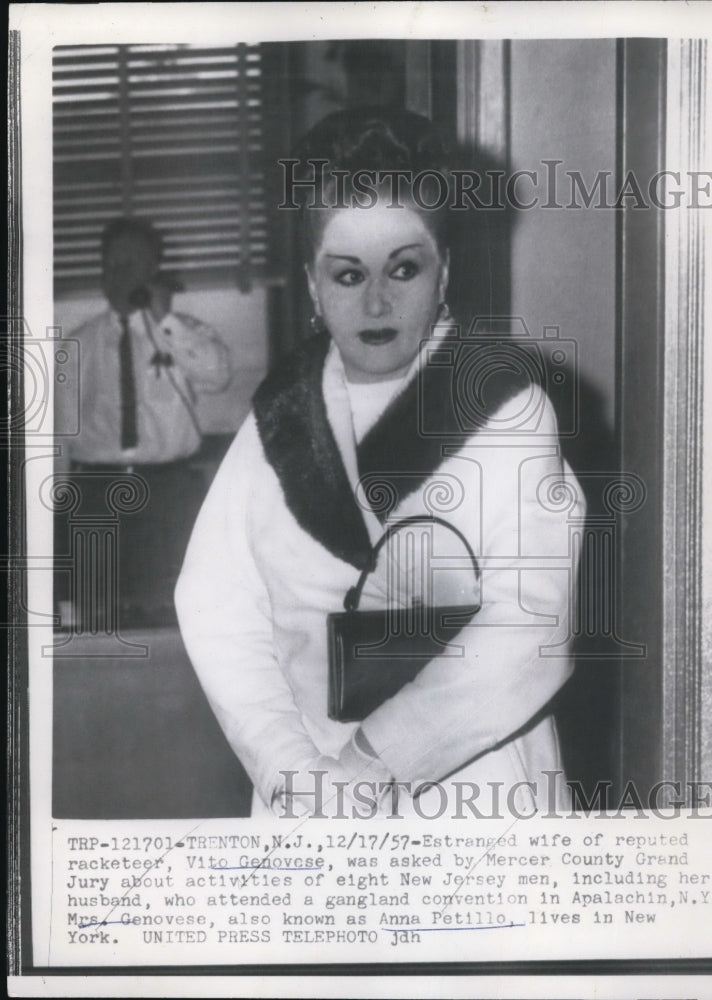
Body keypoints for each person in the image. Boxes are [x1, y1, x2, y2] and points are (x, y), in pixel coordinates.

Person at [175, 108, 585, 818]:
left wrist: (377, 758)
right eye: (347, 273)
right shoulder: (279, 417)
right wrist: (291, 766)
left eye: (403, 267)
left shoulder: (507, 407)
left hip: (473, 791)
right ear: (311, 283)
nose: (376, 300)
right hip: (312, 792)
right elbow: (215, 607)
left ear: (444, 269)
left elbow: (532, 625)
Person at [56, 217, 230, 623]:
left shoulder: (185, 333)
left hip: (167, 490)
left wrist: (164, 321)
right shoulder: (77, 344)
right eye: (112, 264)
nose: (120, 274)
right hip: (95, 493)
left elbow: (218, 376)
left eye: (132, 264)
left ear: (154, 271)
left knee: (175, 616)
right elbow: (58, 436)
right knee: (95, 617)